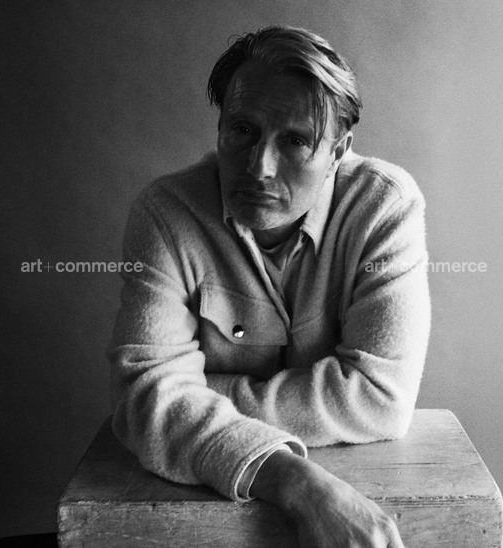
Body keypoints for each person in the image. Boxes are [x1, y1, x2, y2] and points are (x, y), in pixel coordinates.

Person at [108, 25, 430, 548]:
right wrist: (295, 482)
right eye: (242, 130)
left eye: (296, 140)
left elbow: (379, 400)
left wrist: (194, 396)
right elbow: (146, 400)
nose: (259, 166)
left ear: (338, 151)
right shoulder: (165, 214)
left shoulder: (384, 207)